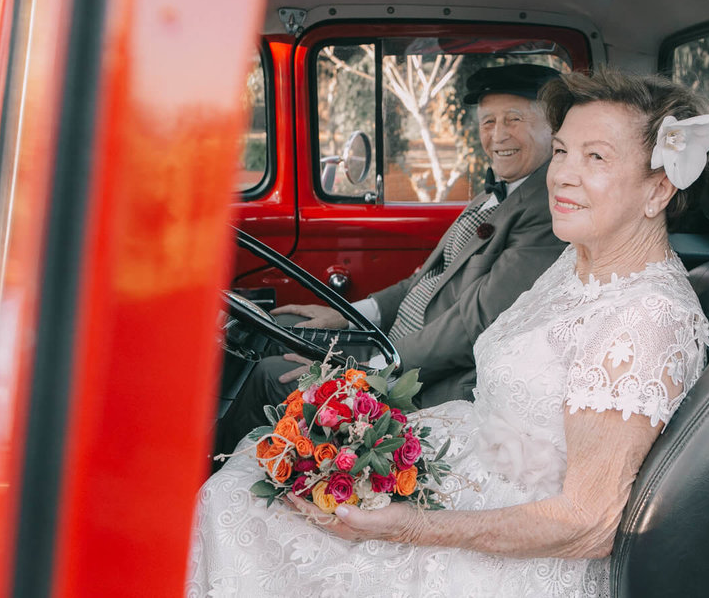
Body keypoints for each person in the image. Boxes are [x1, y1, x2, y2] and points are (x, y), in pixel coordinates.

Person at [187, 68, 709, 597]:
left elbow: (588, 522)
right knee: (251, 478)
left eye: (595, 157)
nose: (562, 177)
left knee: (238, 507)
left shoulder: (646, 319)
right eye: (560, 152)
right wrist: (375, 423)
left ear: (659, 189)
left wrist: (404, 525)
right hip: (460, 469)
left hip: (510, 553)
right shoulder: (576, 262)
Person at [215, 64, 566, 455]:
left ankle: (209, 468)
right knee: (276, 326)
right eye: (488, 122)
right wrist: (350, 315)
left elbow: (475, 324)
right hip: (392, 342)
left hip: (421, 375)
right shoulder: (493, 195)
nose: (497, 135)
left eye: (513, 120)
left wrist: (372, 370)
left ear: (552, 128)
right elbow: (425, 280)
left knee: (270, 374)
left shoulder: (545, 210)